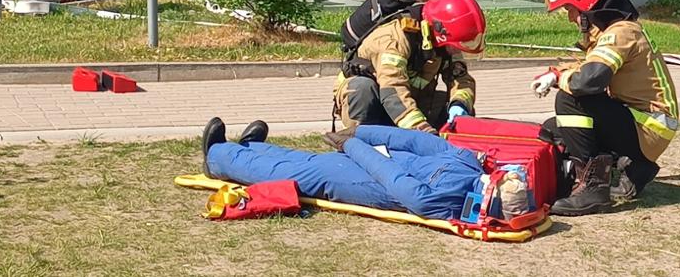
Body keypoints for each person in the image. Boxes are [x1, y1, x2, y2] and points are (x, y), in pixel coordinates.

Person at [533, 0, 680, 215]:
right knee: (557, 129)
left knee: (570, 102)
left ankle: (593, 189)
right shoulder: (618, 30)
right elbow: (590, 68)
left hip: (648, 127)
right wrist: (557, 72)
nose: (569, 17)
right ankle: (636, 169)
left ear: (585, 3)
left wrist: (559, 80)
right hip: (646, 123)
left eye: (569, 8)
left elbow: (589, 81)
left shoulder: (620, 32)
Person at [201, 117, 521, 221]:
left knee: (298, 172)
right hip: (374, 160)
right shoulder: (469, 166)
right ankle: (248, 149)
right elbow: (417, 142)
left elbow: (394, 180)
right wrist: (361, 134)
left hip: (366, 179)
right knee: (302, 160)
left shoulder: (446, 200)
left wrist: (354, 146)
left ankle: (218, 158)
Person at [333, 0, 485, 136]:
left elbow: (461, 79)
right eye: (456, 46)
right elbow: (393, 89)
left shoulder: (444, 41)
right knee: (362, 89)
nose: (456, 51)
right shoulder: (394, 39)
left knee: (451, 107)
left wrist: (459, 104)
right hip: (380, 98)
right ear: (441, 32)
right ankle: (359, 138)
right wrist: (421, 129)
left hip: (406, 101)